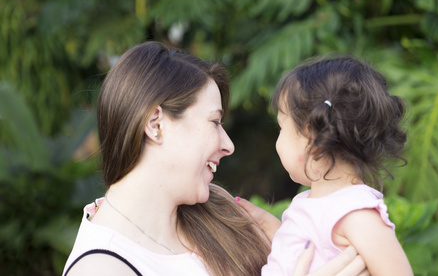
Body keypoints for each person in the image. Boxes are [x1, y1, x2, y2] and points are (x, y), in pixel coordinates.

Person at [63, 41, 368, 276]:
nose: (228, 145)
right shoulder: (99, 267)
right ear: (155, 124)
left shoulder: (215, 211)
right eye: (214, 122)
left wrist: (294, 249)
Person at [260, 55, 414, 276]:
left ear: (311, 139)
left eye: (281, 127)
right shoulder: (316, 203)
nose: (278, 140)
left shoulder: (354, 213)